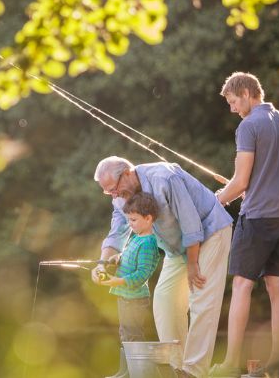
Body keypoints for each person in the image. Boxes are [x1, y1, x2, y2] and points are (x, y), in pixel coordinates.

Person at [91, 157, 233, 378]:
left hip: (209, 231)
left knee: (201, 297)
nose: (114, 195)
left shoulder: (165, 178)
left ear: (127, 173)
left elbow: (191, 222)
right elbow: (117, 229)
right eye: (108, 192)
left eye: (114, 189)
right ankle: (176, 368)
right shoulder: (120, 198)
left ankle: (193, 372)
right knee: (165, 299)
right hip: (177, 247)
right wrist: (102, 262)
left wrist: (193, 264)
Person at [209, 72, 279, 378]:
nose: (233, 108)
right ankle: (278, 363)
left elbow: (239, 182)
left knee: (241, 285)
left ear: (248, 92)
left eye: (234, 101)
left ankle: (229, 363)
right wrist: (265, 185)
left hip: (257, 219)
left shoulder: (249, 126)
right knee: (278, 286)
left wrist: (218, 200)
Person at [97, 192, 162, 378]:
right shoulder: (135, 237)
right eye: (129, 220)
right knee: (125, 335)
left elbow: (142, 274)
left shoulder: (148, 243)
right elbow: (126, 256)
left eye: (133, 220)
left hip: (135, 300)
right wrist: (116, 258)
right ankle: (125, 372)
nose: (130, 224)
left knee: (134, 337)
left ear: (148, 218)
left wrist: (117, 281)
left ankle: (139, 374)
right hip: (124, 297)